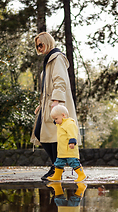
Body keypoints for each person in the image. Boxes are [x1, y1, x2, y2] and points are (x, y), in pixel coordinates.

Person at [31, 32, 81, 181]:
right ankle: (56, 166)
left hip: (56, 103)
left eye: (41, 44)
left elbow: (60, 81)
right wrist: (41, 105)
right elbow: (47, 86)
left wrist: (56, 101)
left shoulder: (57, 57)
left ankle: (56, 168)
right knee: (42, 133)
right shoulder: (49, 59)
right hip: (48, 103)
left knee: (52, 134)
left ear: (48, 42)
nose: (39, 48)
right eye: (37, 46)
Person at [47, 105, 86, 182]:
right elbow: (56, 123)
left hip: (69, 149)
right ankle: (57, 176)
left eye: (56, 119)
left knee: (73, 162)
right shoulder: (60, 124)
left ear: (63, 115)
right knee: (58, 163)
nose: (55, 121)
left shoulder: (69, 124)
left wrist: (72, 142)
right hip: (62, 150)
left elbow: (72, 133)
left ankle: (82, 175)